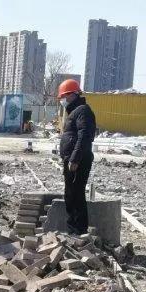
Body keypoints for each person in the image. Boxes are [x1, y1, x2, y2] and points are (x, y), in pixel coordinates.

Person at [58, 79, 96, 236]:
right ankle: (74, 230)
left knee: (75, 194)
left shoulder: (82, 111)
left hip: (79, 160)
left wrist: (74, 159)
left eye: (63, 97)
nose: (62, 100)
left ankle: (78, 231)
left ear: (72, 95)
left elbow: (84, 136)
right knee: (71, 194)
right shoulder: (75, 112)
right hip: (74, 159)